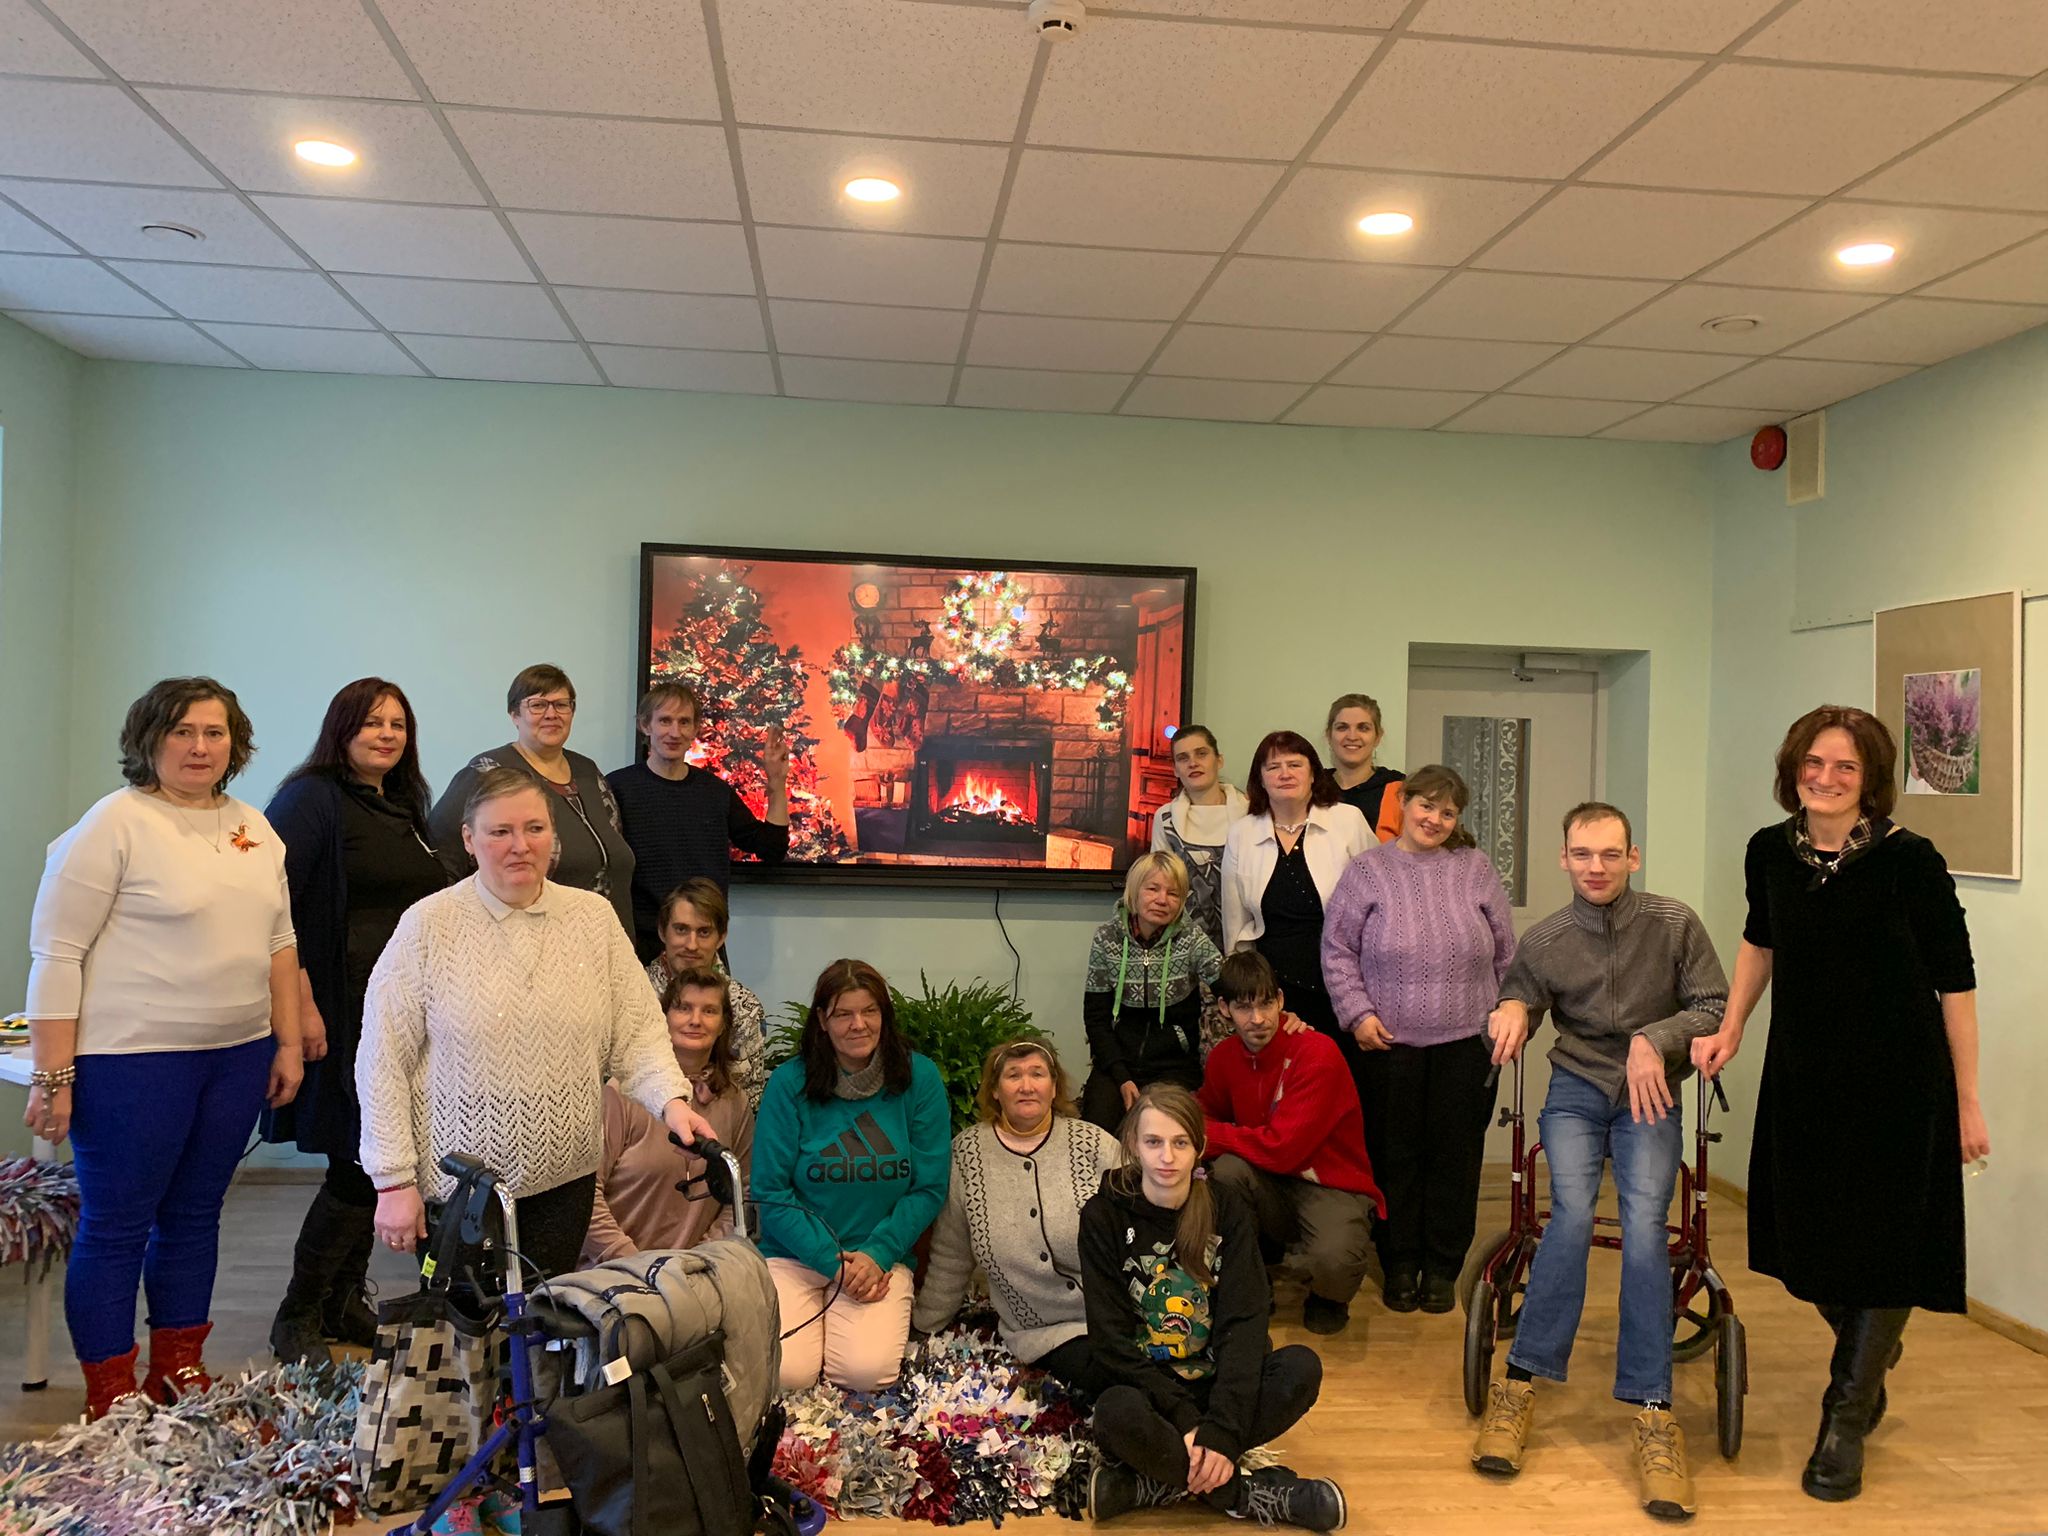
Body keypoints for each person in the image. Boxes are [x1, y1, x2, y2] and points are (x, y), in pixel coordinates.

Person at [1692, 706, 1989, 1503]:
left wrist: (1967, 1099)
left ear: (1871, 781)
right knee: (1810, 1241)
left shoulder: (1911, 861)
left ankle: (1844, 1418)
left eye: (1845, 767)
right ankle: (1872, 1344)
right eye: (1813, 763)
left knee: (1888, 1245)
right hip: (1806, 1075)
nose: (1825, 778)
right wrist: (1732, 1026)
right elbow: (1761, 940)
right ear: (1793, 769)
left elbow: (1956, 984)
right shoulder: (1769, 851)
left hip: (1901, 1084)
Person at [24, 678, 303, 1418]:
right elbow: (56, 954)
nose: (200, 746)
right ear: (148, 739)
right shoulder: (113, 824)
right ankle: (110, 1391)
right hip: (131, 1064)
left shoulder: (253, 827)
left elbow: (280, 942)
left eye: (214, 732)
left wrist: (287, 1043)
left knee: (195, 1215)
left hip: (236, 1056)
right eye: (182, 731)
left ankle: (178, 1369)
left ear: (234, 744)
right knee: (117, 1225)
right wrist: (53, 1075)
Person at [359, 768, 716, 1283]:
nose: (519, 846)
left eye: (534, 829)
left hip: (566, 1181)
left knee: (545, 1317)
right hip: (464, 1186)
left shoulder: (593, 918)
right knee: (475, 1322)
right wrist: (392, 1180)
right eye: (499, 831)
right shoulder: (429, 925)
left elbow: (638, 1032)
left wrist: (672, 1102)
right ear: (469, 839)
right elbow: (382, 1060)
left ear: (553, 835)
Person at [1472, 803, 1727, 1520]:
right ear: (1564, 858)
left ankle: (1654, 1413)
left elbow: (1713, 1004)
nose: (1596, 867)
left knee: (1646, 1228)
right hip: (1577, 1088)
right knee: (1571, 1217)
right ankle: (1518, 1385)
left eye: (1611, 854)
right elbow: (1520, 995)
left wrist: (1655, 1038)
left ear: (1632, 858)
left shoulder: (1674, 924)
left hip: (1651, 1093)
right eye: (1582, 854)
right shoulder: (1547, 938)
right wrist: (1512, 1008)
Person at [262, 678, 448, 1363]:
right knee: (354, 1160)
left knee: (371, 1160)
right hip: (339, 1009)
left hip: (396, 1013)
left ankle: (341, 1302)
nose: (386, 734)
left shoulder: (400, 803)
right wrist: (301, 1004)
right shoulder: (311, 798)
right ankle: (297, 1314)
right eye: (372, 722)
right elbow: (271, 906)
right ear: (341, 728)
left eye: (397, 723)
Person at [1079, 1086, 1345, 1531]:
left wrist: (1222, 1428)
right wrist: (1188, 1422)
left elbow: (1245, 1321)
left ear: (1199, 1147)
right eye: (1153, 1142)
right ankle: (1247, 1495)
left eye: (1180, 1142)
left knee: (1301, 1368)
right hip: (1152, 1394)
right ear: (1133, 1146)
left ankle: (1155, 1483)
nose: (1167, 1157)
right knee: (1114, 1412)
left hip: (1219, 1383)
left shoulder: (1227, 1208)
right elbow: (1110, 1342)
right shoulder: (1102, 1216)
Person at [1321, 764, 1514, 1314]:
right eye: (1426, 805)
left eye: (1447, 812)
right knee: (1394, 1157)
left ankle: (1443, 1266)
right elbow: (1337, 949)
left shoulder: (1475, 868)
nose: (1434, 819)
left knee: (1455, 1158)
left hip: (1467, 1045)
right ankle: (1400, 1262)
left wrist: (1507, 1014)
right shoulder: (1368, 870)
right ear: (1403, 803)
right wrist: (1357, 1014)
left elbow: (1507, 954)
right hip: (1387, 1046)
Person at [753, 959, 950, 1392]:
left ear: (884, 1015)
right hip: (795, 1255)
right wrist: (831, 1264)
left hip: (876, 1259)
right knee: (787, 1375)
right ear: (822, 1021)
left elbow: (929, 1186)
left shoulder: (920, 1078)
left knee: (865, 1374)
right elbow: (770, 1191)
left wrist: (879, 1253)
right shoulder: (789, 1083)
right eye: (843, 1013)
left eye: (869, 1011)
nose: (858, 1024)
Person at [913, 1040, 1120, 1388]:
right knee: (1110, 1375)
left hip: (1118, 1313)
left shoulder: (1094, 1144)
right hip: (1043, 1331)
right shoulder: (968, 1154)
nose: (1026, 1086)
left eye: (1037, 1074)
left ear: (1054, 1086)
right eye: (1013, 1076)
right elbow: (951, 1253)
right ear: (995, 1090)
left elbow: (1141, 1230)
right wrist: (924, 1325)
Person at [1199, 952, 1384, 1337]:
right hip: (1268, 1180)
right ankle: (1252, 1282)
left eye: (1266, 1003)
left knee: (1335, 1260)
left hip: (1330, 1183)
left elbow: (1283, 1149)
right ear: (1224, 1009)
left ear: (1281, 1000)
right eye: (1244, 1007)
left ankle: (1329, 1297)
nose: (1258, 1019)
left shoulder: (1316, 1052)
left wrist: (1210, 1136)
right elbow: (1204, 1112)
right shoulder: (1223, 1058)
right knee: (1226, 1172)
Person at [429, 663, 636, 936]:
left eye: (561, 705)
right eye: (537, 705)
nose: (551, 714)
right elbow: (442, 858)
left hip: (606, 939)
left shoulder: (588, 772)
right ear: (514, 714)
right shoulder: (488, 771)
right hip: (526, 941)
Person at [582, 964, 755, 1264]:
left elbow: (741, 1190)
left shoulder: (734, 1101)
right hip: (616, 1271)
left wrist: (700, 1262)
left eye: (709, 1011)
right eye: (683, 1008)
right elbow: (585, 1198)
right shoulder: (620, 1094)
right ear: (662, 1018)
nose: (695, 1020)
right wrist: (639, 1266)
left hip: (698, 1273)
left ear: (723, 1025)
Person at [606, 682, 789, 960]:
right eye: (665, 721)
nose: (674, 732)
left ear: (695, 729)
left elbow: (771, 847)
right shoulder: (617, 788)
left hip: (704, 944)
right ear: (645, 725)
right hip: (640, 946)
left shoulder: (715, 791)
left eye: (684, 722)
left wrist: (777, 782)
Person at [1220, 730, 1371, 1062]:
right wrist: (1247, 993)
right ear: (1260, 779)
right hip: (1274, 992)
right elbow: (1234, 920)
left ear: (1313, 772)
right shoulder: (1242, 833)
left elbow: (1378, 903)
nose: (1285, 774)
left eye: (1295, 764)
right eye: (1273, 767)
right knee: (1284, 1078)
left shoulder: (1348, 821)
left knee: (1342, 1073)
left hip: (1342, 982)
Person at [1081, 851, 1224, 1131]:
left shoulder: (1191, 938)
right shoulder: (1106, 938)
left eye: (1173, 893)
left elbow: (1231, 985)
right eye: (1153, 889)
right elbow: (1096, 1019)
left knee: (1166, 1130)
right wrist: (1122, 1077)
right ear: (1135, 891)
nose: (1162, 899)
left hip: (1175, 1067)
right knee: (1096, 1131)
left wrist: (1278, 1012)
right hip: (1117, 1064)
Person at [645, 878, 769, 1109]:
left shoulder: (744, 1007)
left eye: (703, 932)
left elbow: (749, 1100)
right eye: (681, 929)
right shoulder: (632, 996)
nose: (691, 945)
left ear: (721, 937)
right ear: (662, 931)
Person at [1151, 725, 1249, 952]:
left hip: (1244, 943)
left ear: (1219, 760)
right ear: (1175, 770)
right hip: (1184, 946)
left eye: (1201, 754)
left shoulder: (1251, 814)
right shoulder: (1165, 819)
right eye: (1183, 758)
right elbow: (1160, 885)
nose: (1193, 763)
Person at [1325, 695, 1404, 837]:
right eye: (1342, 727)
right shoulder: (1311, 786)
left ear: (1378, 737)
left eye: (1363, 728)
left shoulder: (1400, 788)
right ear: (1329, 735)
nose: (1352, 736)